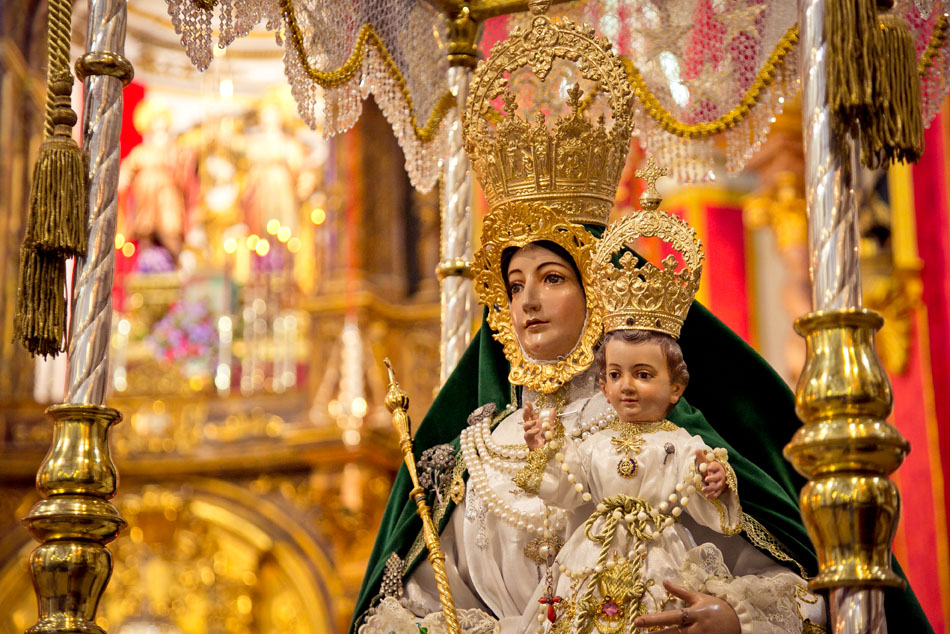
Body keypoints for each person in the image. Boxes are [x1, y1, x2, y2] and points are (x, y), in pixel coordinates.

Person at [351, 9, 933, 634]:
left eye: (552, 278)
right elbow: (410, 606)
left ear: (596, 290)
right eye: (514, 284)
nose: (527, 302)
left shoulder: (658, 432)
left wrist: (732, 620)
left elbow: (794, 588)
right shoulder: (477, 453)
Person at [514, 209, 824, 633]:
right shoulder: (592, 441)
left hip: (661, 557)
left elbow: (705, 497)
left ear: (675, 387)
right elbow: (567, 487)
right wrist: (544, 454)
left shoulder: (682, 440)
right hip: (588, 559)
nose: (627, 388)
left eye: (643, 375)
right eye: (615, 375)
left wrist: (716, 483)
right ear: (604, 382)